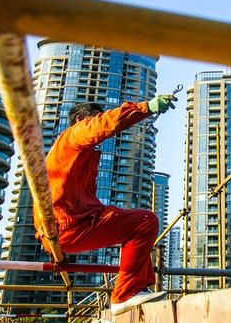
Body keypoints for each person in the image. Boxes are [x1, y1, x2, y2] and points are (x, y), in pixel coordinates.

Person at [33, 95, 176, 316]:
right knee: (145, 221)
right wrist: (146, 107)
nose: (96, 122)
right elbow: (104, 124)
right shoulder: (74, 135)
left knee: (133, 224)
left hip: (67, 225)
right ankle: (126, 293)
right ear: (81, 119)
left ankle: (139, 286)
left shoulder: (72, 153)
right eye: (93, 118)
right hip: (70, 226)